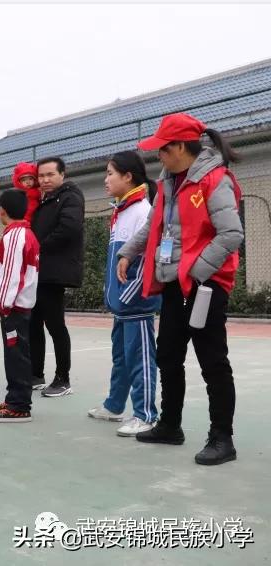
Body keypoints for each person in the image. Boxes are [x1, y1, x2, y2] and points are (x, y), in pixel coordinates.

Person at [117, 113, 244, 465]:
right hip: (176, 285)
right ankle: (170, 425)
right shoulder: (169, 181)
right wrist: (130, 251)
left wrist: (197, 272)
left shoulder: (214, 180)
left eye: (162, 149)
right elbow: (154, 225)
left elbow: (231, 234)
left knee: (212, 361)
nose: (158, 156)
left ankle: (222, 438)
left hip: (204, 286)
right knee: (168, 355)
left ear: (178, 147)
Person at [88, 151, 161, 436]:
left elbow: (146, 261)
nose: (105, 180)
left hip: (136, 304)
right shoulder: (122, 211)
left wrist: (131, 295)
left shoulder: (142, 211)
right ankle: (115, 404)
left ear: (128, 176)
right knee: (121, 356)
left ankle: (145, 414)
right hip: (122, 303)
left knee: (140, 359)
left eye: (110, 173)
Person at [30, 157, 85, 396]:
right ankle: (35, 374)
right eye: (41, 176)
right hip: (39, 273)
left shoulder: (70, 196)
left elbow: (68, 229)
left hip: (54, 273)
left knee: (55, 326)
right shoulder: (44, 200)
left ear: (62, 174)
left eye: (50, 174)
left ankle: (63, 379)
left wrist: (36, 248)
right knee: (33, 324)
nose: (44, 180)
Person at [0, 190, 41, 422]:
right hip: (17, 306)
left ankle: (20, 406)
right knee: (15, 353)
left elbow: (11, 274)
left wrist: (4, 304)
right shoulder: (21, 234)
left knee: (17, 354)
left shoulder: (15, 236)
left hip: (14, 307)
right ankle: (13, 398)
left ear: (2, 210)